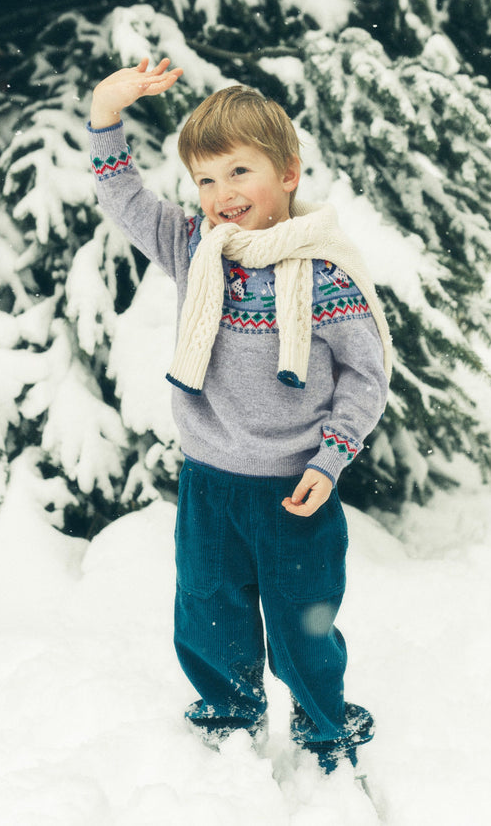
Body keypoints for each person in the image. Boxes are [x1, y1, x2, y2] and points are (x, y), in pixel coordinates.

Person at [87, 57, 392, 774]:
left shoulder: (322, 273)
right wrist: (106, 110)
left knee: (302, 624)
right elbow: (123, 197)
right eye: (206, 179)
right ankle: (228, 717)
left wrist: (331, 458)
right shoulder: (197, 250)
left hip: (296, 487)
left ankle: (327, 732)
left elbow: (364, 375)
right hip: (210, 481)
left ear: (288, 171)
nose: (222, 194)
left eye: (240, 172)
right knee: (208, 608)